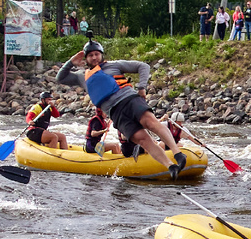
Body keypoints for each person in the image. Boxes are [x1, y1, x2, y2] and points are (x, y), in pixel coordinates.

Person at [57, 36, 187, 179]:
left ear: (101, 55)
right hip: (115, 113)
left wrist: (142, 87)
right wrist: (71, 62)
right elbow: (60, 78)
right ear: (86, 59)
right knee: (142, 139)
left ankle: (177, 153)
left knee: (150, 123)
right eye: (90, 55)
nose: (94, 58)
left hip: (129, 99)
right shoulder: (81, 77)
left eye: (96, 54)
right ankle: (170, 166)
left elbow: (143, 66)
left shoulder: (114, 65)